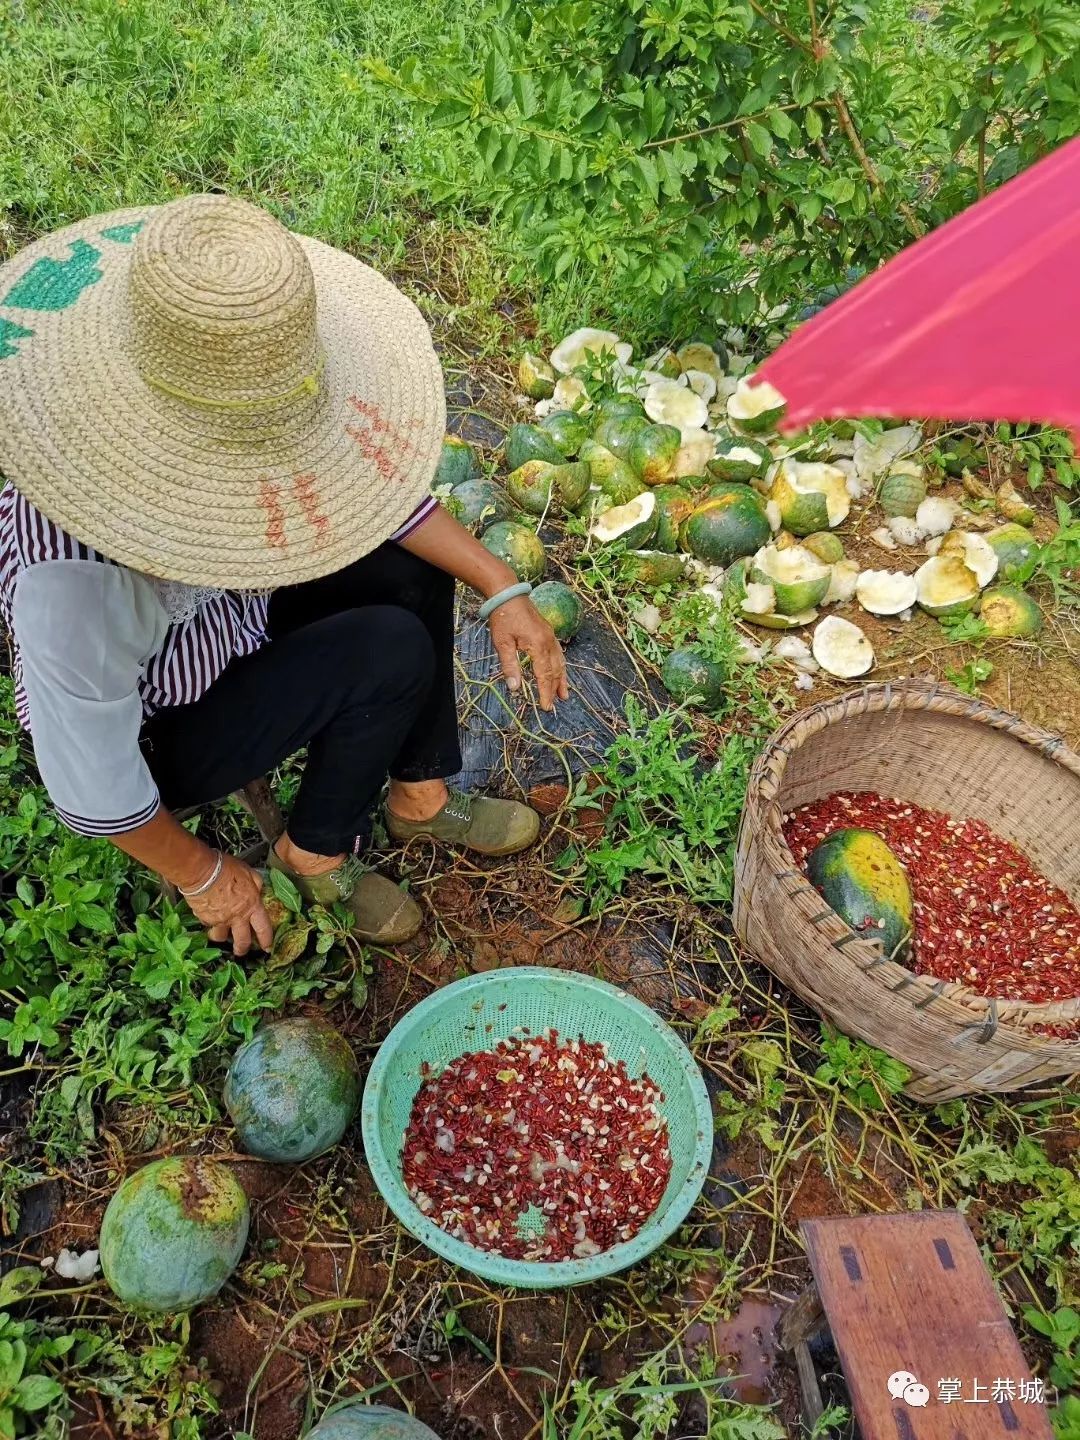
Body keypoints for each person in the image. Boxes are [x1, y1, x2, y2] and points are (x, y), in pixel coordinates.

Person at [0, 194, 568, 954]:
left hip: (233, 612)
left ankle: (419, 797)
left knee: (408, 570)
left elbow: (376, 501)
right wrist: (206, 875)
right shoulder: (72, 584)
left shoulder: (242, 388)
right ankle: (314, 854)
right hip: (163, 728)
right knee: (387, 649)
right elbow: (91, 785)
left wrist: (502, 585)